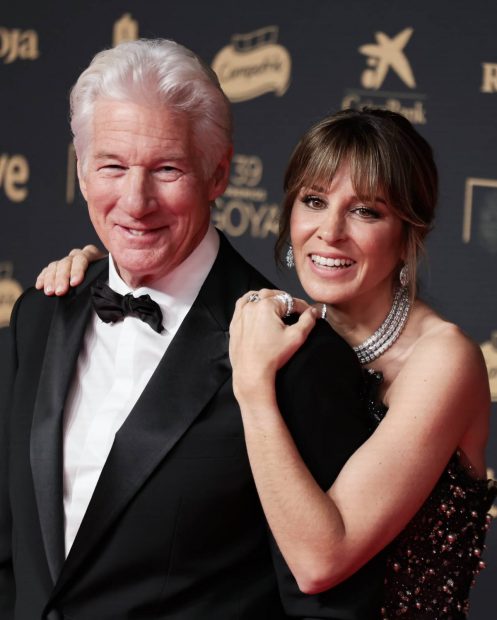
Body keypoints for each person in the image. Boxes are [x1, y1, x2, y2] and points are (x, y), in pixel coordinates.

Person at [42, 108, 496, 619]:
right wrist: (106, 273)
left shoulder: (443, 359)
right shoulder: (289, 331)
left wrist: (255, 391)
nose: (330, 232)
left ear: (409, 231)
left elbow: (322, 561)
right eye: (314, 201)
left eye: (366, 211)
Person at [0, 41, 388, 619]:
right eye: (112, 166)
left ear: (218, 174)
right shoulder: (37, 316)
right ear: (81, 172)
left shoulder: (298, 354)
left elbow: (327, 609)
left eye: (167, 169)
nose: (135, 200)